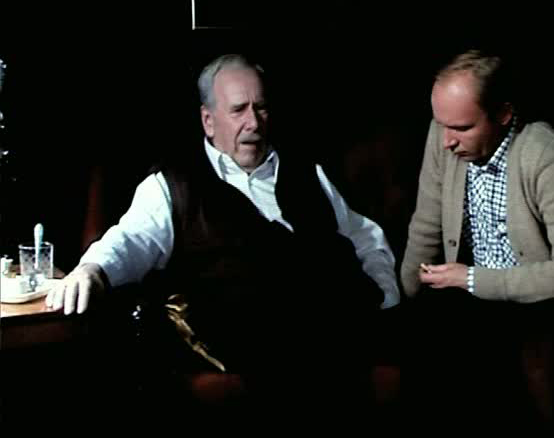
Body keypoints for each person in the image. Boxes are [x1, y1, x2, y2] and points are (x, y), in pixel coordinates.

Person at [46, 53, 400, 421]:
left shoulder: (308, 171)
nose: (254, 123)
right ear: (208, 120)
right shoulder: (172, 185)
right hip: (248, 351)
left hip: (333, 338)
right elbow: (131, 240)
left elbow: (363, 235)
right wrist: (92, 268)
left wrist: (385, 295)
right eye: (239, 110)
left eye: (261, 108)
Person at [400, 49, 554, 429]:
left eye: (462, 128)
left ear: (503, 114)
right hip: (470, 297)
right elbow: (425, 225)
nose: (447, 141)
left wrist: (472, 278)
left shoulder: (542, 152)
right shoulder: (443, 134)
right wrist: (401, 306)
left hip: (532, 299)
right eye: (441, 125)